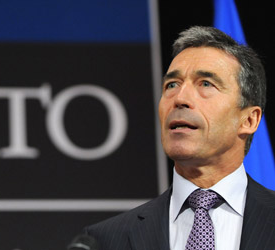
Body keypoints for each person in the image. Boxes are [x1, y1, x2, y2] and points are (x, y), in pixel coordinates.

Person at [84, 26, 275, 250]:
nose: (180, 98)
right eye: (172, 85)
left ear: (249, 120)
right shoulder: (103, 241)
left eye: (206, 83)